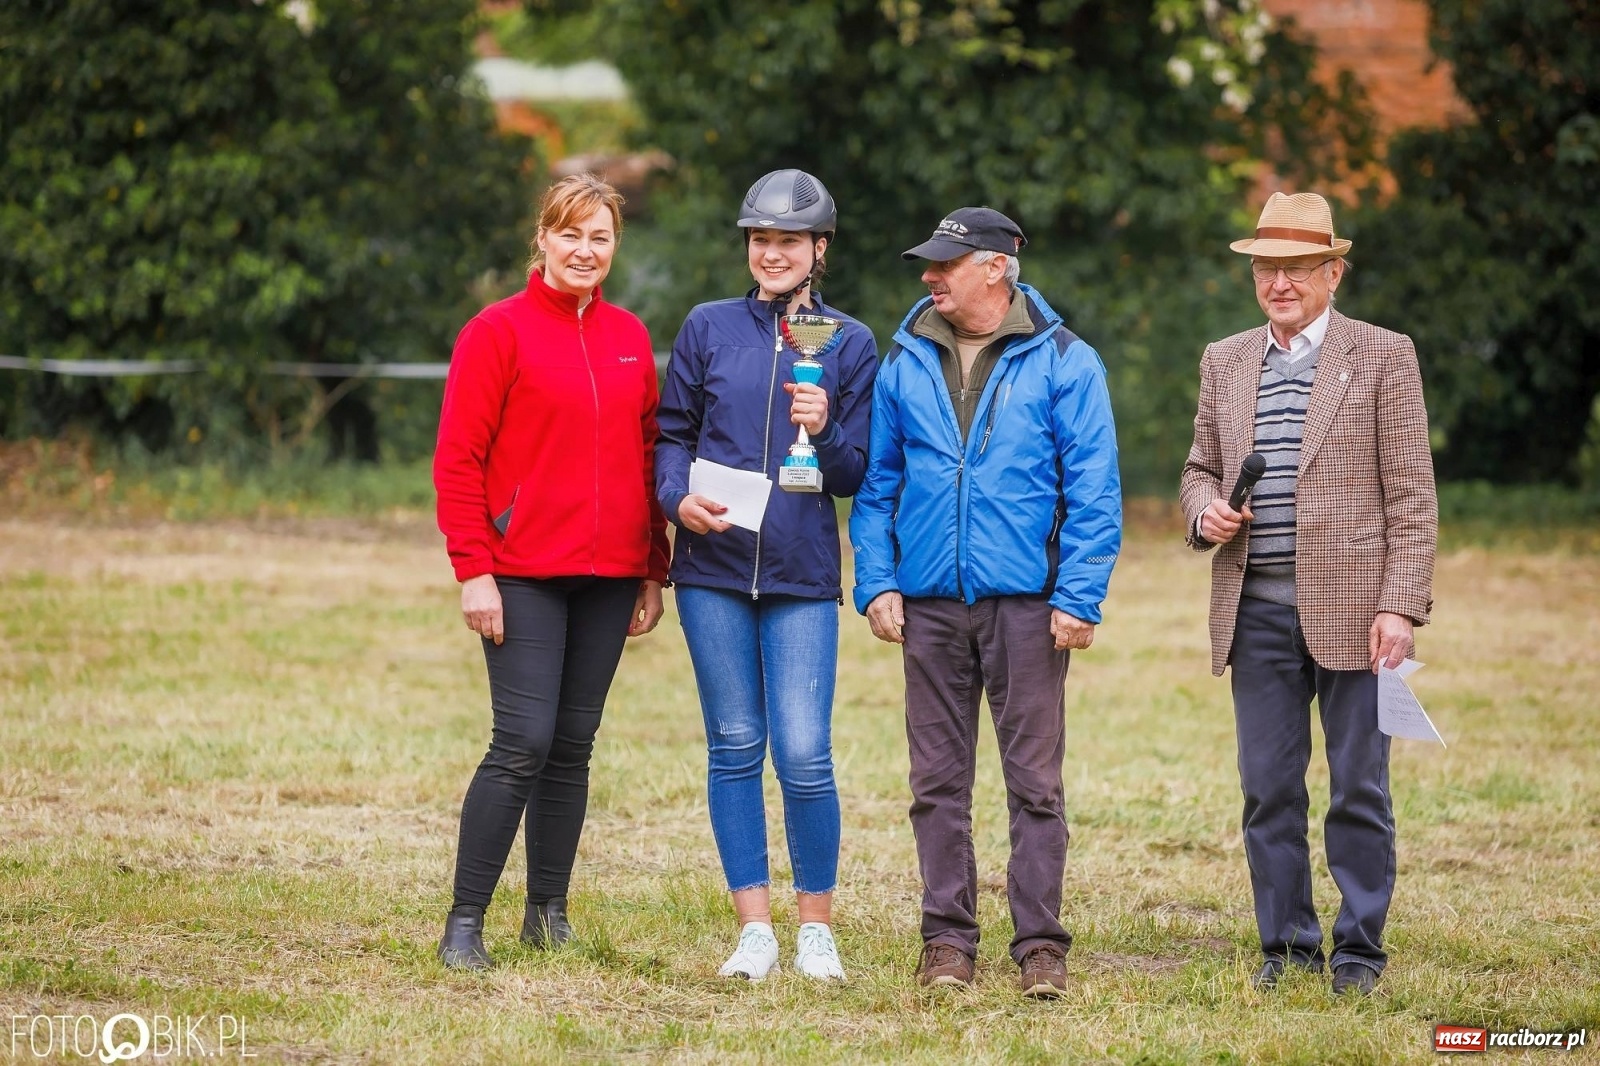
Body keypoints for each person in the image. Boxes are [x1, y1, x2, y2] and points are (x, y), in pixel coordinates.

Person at [849, 207, 1122, 998]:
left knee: (1034, 783)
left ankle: (1040, 946)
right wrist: (878, 581)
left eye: (946, 264)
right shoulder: (904, 361)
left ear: (997, 268)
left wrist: (1077, 595)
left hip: (1028, 606)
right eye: (928, 265)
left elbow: (1096, 495)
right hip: (929, 604)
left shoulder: (1068, 361)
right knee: (936, 783)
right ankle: (947, 942)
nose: (930, 277)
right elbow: (876, 490)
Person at [1179, 191, 1437, 995]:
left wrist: (1400, 602)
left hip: (1358, 613)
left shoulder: (1383, 354)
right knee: (1268, 789)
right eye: (1266, 266)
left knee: (1359, 788)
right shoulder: (1225, 359)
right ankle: (1286, 948)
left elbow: (1412, 495)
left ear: (1334, 270)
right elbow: (1197, 470)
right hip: (1255, 606)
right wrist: (1205, 511)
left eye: (1295, 266)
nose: (1278, 281)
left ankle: (1358, 952)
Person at [432, 173, 670, 970]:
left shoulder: (632, 337)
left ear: (614, 248)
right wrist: (474, 569)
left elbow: (646, 459)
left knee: (573, 743)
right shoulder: (495, 332)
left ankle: (548, 913)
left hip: (609, 575)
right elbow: (458, 459)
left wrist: (652, 567)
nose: (584, 250)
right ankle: (465, 922)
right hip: (521, 570)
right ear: (542, 238)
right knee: (522, 740)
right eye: (571, 234)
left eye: (600, 237)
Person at [655, 169, 878, 981]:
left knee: (805, 751)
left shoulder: (849, 342)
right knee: (735, 745)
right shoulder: (708, 327)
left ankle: (815, 926)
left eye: (788, 241)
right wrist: (677, 501)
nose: (772, 254)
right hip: (710, 570)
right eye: (760, 240)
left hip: (802, 575)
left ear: (819, 250)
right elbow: (671, 433)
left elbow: (855, 473)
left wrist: (823, 433)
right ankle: (754, 929)